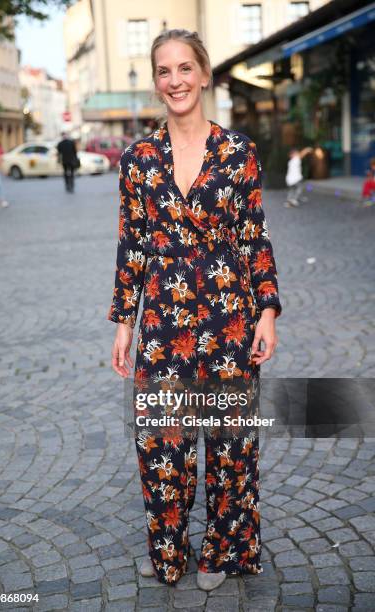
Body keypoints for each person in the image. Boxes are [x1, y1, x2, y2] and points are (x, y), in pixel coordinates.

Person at [107, 29, 282, 591]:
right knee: (163, 439)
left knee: (231, 440)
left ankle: (222, 551)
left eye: (185, 69)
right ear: (156, 82)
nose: (175, 80)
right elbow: (131, 242)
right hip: (162, 322)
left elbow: (254, 236)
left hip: (231, 315)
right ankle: (169, 549)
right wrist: (123, 322)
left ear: (204, 74)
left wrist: (268, 312)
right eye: (164, 71)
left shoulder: (238, 153)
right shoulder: (138, 159)